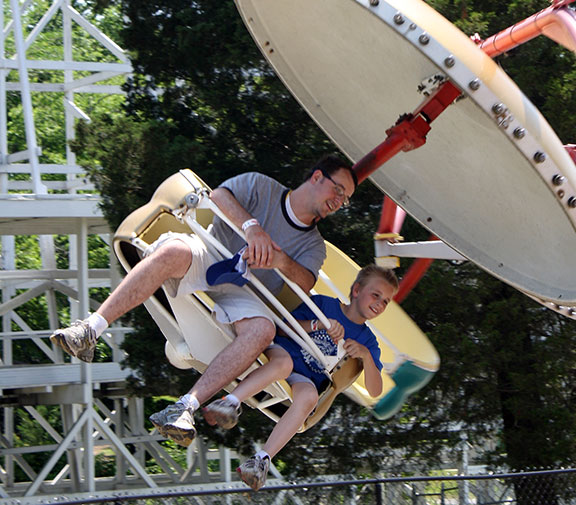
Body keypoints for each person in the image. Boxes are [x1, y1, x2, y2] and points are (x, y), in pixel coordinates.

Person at [50, 155, 357, 447]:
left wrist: (279, 260)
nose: (339, 202)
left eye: (345, 200)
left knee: (263, 330)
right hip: (211, 252)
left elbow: (304, 281)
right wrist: (253, 229)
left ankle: (186, 407)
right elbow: (220, 196)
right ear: (317, 177)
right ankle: (90, 329)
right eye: (338, 190)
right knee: (172, 252)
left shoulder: (314, 245)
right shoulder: (261, 185)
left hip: (245, 291)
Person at [203, 264, 399, 491]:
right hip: (284, 353)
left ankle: (261, 460)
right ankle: (229, 403)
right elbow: (284, 329)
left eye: (386, 301)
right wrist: (318, 325)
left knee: (309, 397)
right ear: (356, 290)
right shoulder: (324, 305)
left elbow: (375, 390)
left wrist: (365, 356)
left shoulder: (368, 341)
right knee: (284, 365)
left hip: (306, 376)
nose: (380, 304)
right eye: (376, 295)